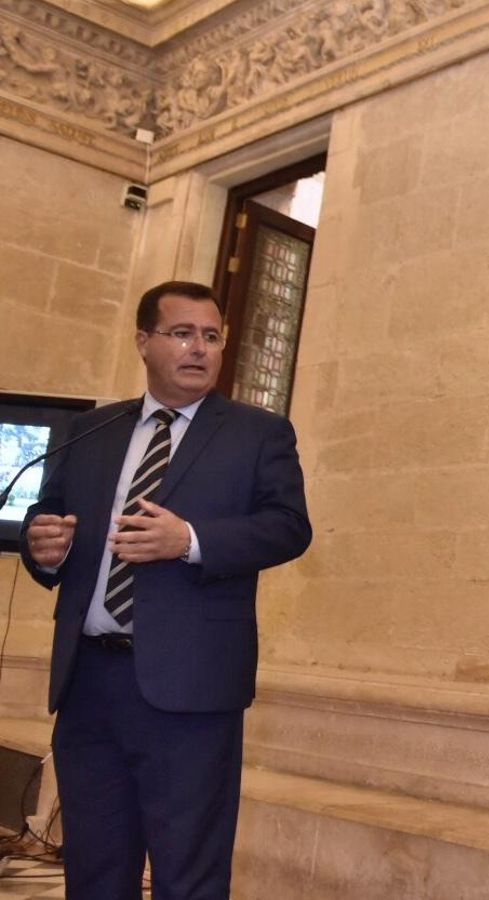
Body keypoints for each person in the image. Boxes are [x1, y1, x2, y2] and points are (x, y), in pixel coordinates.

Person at [21, 281, 312, 900]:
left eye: (211, 337)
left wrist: (191, 540)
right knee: (95, 870)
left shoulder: (258, 433)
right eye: (182, 333)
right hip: (89, 687)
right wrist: (42, 547)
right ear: (144, 342)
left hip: (193, 692)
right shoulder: (91, 430)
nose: (199, 349)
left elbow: (289, 528)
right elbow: (49, 524)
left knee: (189, 875)